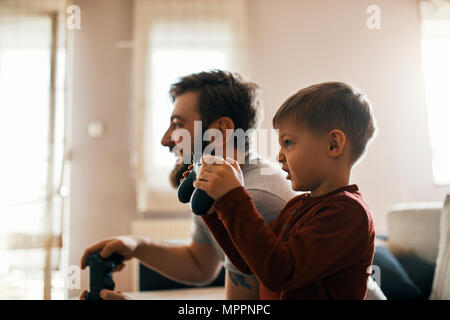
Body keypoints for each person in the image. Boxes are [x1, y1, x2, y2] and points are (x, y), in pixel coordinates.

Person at [79, 70, 297, 300]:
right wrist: (136, 246)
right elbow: (200, 264)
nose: (165, 139)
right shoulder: (211, 183)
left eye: (178, 124)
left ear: (220, 130)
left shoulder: (252, 198)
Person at [190, 81, 377, 299]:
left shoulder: (347, 214)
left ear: (333, 145)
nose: (279, 156)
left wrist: (233, 196)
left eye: (288, 142)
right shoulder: (297, 206)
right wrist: (214, 207)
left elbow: (279, 272)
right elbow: (249, 262)